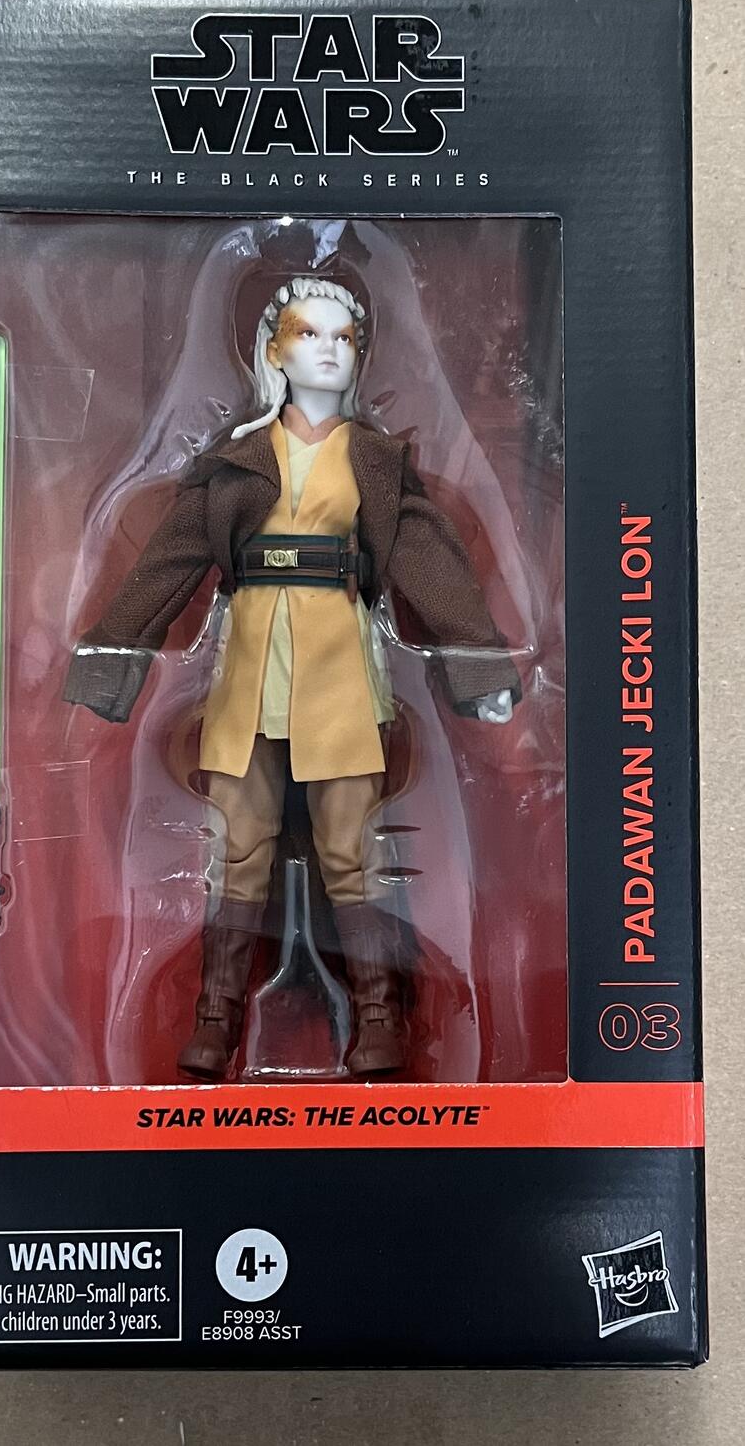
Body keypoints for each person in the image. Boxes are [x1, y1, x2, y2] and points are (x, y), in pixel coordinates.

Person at [64, 275, 519, 1080]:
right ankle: (216, 1021)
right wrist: (111, 663)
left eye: (344, 338)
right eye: (311, 334)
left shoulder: (374, 461)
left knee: (351, 848)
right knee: (239, 849)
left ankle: (379, 1022)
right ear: (273, 351)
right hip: (250, 671)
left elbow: (431, 564)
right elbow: (167, 564)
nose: (330, 351)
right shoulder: (236, 463)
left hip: (340, 669)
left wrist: (479, 666)